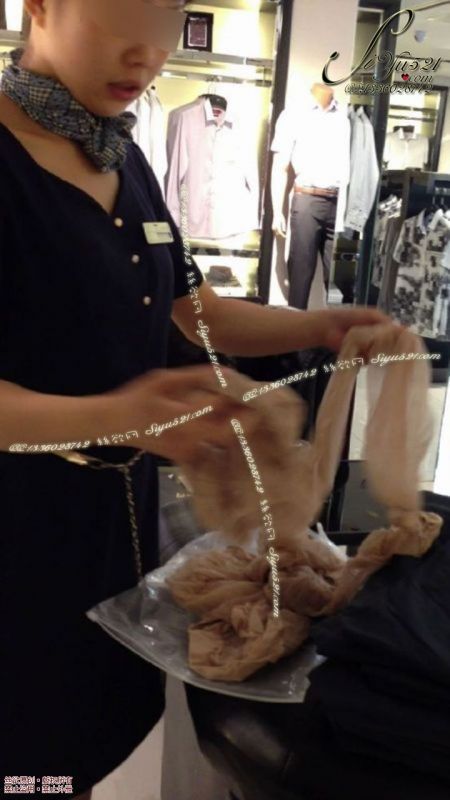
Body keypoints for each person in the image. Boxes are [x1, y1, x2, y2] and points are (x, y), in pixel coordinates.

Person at [0, 1, 391, 797]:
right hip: (20, 531)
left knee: (86, 739)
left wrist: (320, 324)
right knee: (25, 752)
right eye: (121, 18)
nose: (148, 53)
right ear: (39, 5)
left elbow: (196, 311)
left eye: (167, 20)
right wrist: (123, 415)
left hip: (117, 522)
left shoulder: (121, 155)